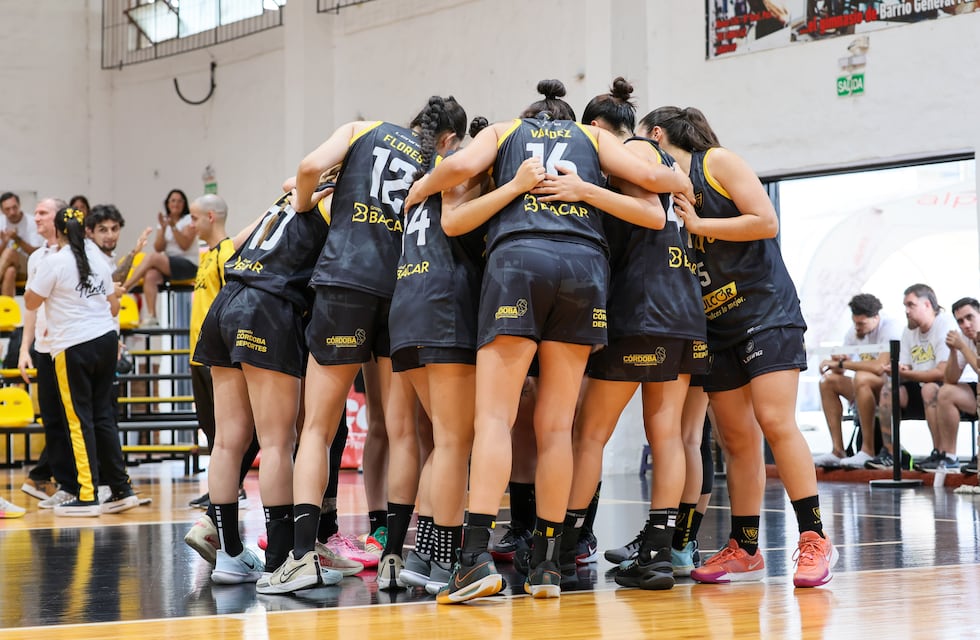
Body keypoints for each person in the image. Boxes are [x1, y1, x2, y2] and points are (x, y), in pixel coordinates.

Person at [404, 79, 691, 602]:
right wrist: (594, 188)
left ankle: (472, 561)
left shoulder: (505, 130)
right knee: (558, 427)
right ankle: (548, 566)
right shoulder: (594, 137)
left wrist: (419, 190)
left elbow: (456, 169)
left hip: (518, 262)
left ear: (531, 115)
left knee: (496, 418)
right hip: (585, 269)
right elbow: (658, 185)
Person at [256, 95, 470, 595]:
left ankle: (303, 556)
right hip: (401, 290)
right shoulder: (436, 163)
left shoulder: (363, 129)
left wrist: (306, 202)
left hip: (345, 283)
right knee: (399, 432)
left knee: (316, 427)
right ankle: (394, 554)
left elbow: (308, 168)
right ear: (447, 138)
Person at [648, 105, 837, 588]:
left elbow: (765, 220)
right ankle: (746, 546)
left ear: (656, 135)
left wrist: (702, 227)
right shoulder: (664, 194)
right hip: (717, 324)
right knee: (736, 439)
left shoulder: (716, 163)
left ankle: (814, 539)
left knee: (774, 420)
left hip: (765, 311)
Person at [541, 78, 707, 591]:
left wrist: (583, 190)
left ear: (595, 131)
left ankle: (564, 548)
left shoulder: (630, 151)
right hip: (685, 309)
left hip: (643, 309)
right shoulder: (668, 166)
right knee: (669, 436)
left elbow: (650, 217)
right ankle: (659, 553)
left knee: (588, 434)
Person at [191, 183, 331, 586]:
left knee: (226, 441)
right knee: (277, 441)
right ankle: (280, 559)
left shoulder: (288, 199)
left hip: (226, 302)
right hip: (267, 306)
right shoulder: (334, 202)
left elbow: (235, 245)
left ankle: (230, 555)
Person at [24, 206, 138, 517]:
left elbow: (32, 302)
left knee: (78, 420)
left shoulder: (55, 261)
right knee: (103, 417)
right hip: (104, 340)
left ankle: (87, 494)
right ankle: (121, 488)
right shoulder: (98, 259)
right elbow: (112, 306)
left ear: (58, 231)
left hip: (74, 345)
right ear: (86, 229)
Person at [182, 194, 260, 513]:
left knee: (226, 429)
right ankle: (221, 488)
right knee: (209, 427)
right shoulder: (206, 255)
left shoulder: (226, 253)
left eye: (195, 217)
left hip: (217, 355)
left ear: (211, 217)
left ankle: (231, 488)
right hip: (196, 354)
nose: (191, 224)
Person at [865, 284, 957, 470]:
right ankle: (891, 453)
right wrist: (895, 370)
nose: (906, 311)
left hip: (947, 387)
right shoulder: (909, 331)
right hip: (919, 385)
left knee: (930, 388)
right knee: (888, 390)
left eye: (911, 305)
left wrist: (904, 372)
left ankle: (941, 454)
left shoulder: (945, 324)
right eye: (905, 306)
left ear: (927, 305)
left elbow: (941, 372)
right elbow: (905, 367)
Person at [17, 198, 70, 507]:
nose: (35, 218)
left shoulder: (76, 255)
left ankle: (79, 484)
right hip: (43, 348)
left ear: (58, 218)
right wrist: (25, 348)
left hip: (69, 346)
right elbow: (31, 308)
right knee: (51, 417)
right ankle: (57, 482)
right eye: (35, 213)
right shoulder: (37, 257)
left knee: (71, 418)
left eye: (42, 213)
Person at [813, 293, 901, 469]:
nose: (857, 327)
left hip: (890, 388)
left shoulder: (891, 328)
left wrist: (841, 362)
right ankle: (837, 451)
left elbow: (879, 367)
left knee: (861, 377)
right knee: (828, 381)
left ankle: (867, 450)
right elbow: (842, 368)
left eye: (862, 323)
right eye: (855, 323)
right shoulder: (855, 332)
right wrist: (836, 361)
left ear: (876, 318)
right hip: (864, 387)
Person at [122, 189, 199, 327]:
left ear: (184, 203)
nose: (176, 203)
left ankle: (126, 286)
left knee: (152, 257)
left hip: (188, 265)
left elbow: (185, 245)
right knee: (150, 275)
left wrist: (173, 226)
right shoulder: (164, 221)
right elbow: (159, 247)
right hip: (169, 264)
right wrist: (163, 229)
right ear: (167, 203)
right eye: (173, 200)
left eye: (180, 200)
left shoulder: (189, 220)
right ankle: (152, 316)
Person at [924, 297, 980, 471]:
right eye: (960, 321)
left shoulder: (965, 341)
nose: (966, 324)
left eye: (970, 317)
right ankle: (948, 456)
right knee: (945, 391)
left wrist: (962, 347)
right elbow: (950, 380)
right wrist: (954, 352)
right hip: (975, 393)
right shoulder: (964, 338)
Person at [84, 204, 152, 283]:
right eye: (103, 230)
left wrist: (135, 252)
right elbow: (111, 286)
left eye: (114, 229)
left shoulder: (106, 254)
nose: (110, 236)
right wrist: (132, 254)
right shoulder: (89, 254)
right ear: (90, 232)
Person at [0, 191, 45, 297]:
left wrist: (17, 239)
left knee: (10, 252)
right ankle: (6, 311)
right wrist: (5, 242)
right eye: (7, 209)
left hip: (28, 265)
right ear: (2, 210)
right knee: (10, 272)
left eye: (14, 207)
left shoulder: (32, 222)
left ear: (19, 205)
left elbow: (36, 252)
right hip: (7, 266)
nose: (12, 212)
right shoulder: (1, 222)